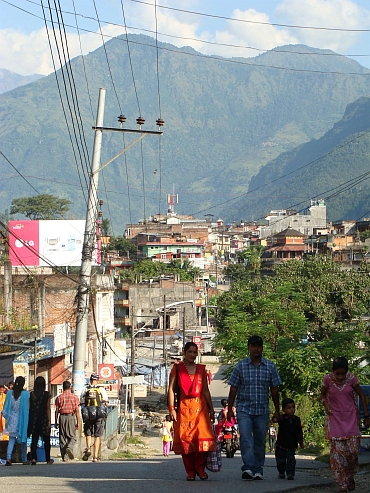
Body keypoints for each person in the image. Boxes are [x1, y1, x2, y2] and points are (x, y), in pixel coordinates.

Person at [227, 335, 282, 480]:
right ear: (249, 348)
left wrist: (277, 410)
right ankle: (248, 468)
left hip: (262, 409)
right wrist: (230, 409)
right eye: (253, 346)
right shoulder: (241, 366)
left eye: (259, 346)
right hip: (244, 408)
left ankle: (258, 469)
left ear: (262, 348)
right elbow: (233, 388)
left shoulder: (270, 366)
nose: (256, 348)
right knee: (245, 438)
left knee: (259, 440)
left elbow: (274, 390)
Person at [319, 356, 370, 492]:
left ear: (346, 372)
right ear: (333, 372)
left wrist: (366, 416)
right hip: (335, 421)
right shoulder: (327, 380)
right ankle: (342, 485)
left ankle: (350, 476)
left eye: (343, 374)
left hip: (351, 420)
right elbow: (322, 395)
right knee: (338, 456)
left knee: (352, 453)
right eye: (338, 374)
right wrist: (325, 404)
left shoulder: (352, 379)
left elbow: (362, 396)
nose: (340, 377)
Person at [167, 342, 216, 481]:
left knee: (200, 439)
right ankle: (190, 471)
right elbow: (171, 389)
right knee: (185, 440)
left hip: (200, 409)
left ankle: (200, 469)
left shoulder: (201, 369)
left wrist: (211, 409)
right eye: (190, 352)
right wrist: (172, 409)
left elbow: (205, 390)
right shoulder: (177, 368)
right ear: (184, 352)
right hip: (183, 409)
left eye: (195, 352)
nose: (193, 355)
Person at [80, 372, 109, 462]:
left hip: (88, 415)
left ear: (90, 380)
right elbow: (106, 402)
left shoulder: (85, 389)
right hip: (98, 415)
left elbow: (81, 401)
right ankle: (95, 457)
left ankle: (88, 448)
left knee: (88, 434)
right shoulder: (101, 389)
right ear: (97, 380)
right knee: (97, 436)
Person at [2, 376, 29, 465]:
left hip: (12, 418)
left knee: (12, 439)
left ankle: (8, 458)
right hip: (22, 419)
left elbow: (6, 406)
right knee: (23, 439)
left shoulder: (10, 393)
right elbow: (28, 407)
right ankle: (24, 459)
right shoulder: (25, 394)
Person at [275, 398, 304, 480]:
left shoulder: (297, 420)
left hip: (292, 444)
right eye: (289, 408)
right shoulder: (282, 418)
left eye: (293, 407)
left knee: (291, 460)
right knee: (280, 460)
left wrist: (301, 442)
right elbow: (274, 420)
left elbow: (299, 431)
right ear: (283, 409)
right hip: (281, 444)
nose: (291, 410)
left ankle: (290, 473)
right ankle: (281, 471)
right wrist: (275, 416)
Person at [28, 376, 53, 465]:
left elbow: (30, 408)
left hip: (34, 418)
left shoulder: (31, 395)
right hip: (44, 418)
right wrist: (49, 421)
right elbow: (48, 408)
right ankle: (48, 459)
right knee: (46, 439)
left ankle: (33, 458)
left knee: (34, 439)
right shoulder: (46, 394)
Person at [55, 380, 81, 461]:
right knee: (72, 437)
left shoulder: (59, 397)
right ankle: (69, 447)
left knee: (62, 438)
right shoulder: (75, 397)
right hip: (70, 417)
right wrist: (78, 422)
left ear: (63, 388)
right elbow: (77, 410)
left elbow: (56, 410)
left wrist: (56, 421)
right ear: (70, 387)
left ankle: (65, 457)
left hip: (62, 417)